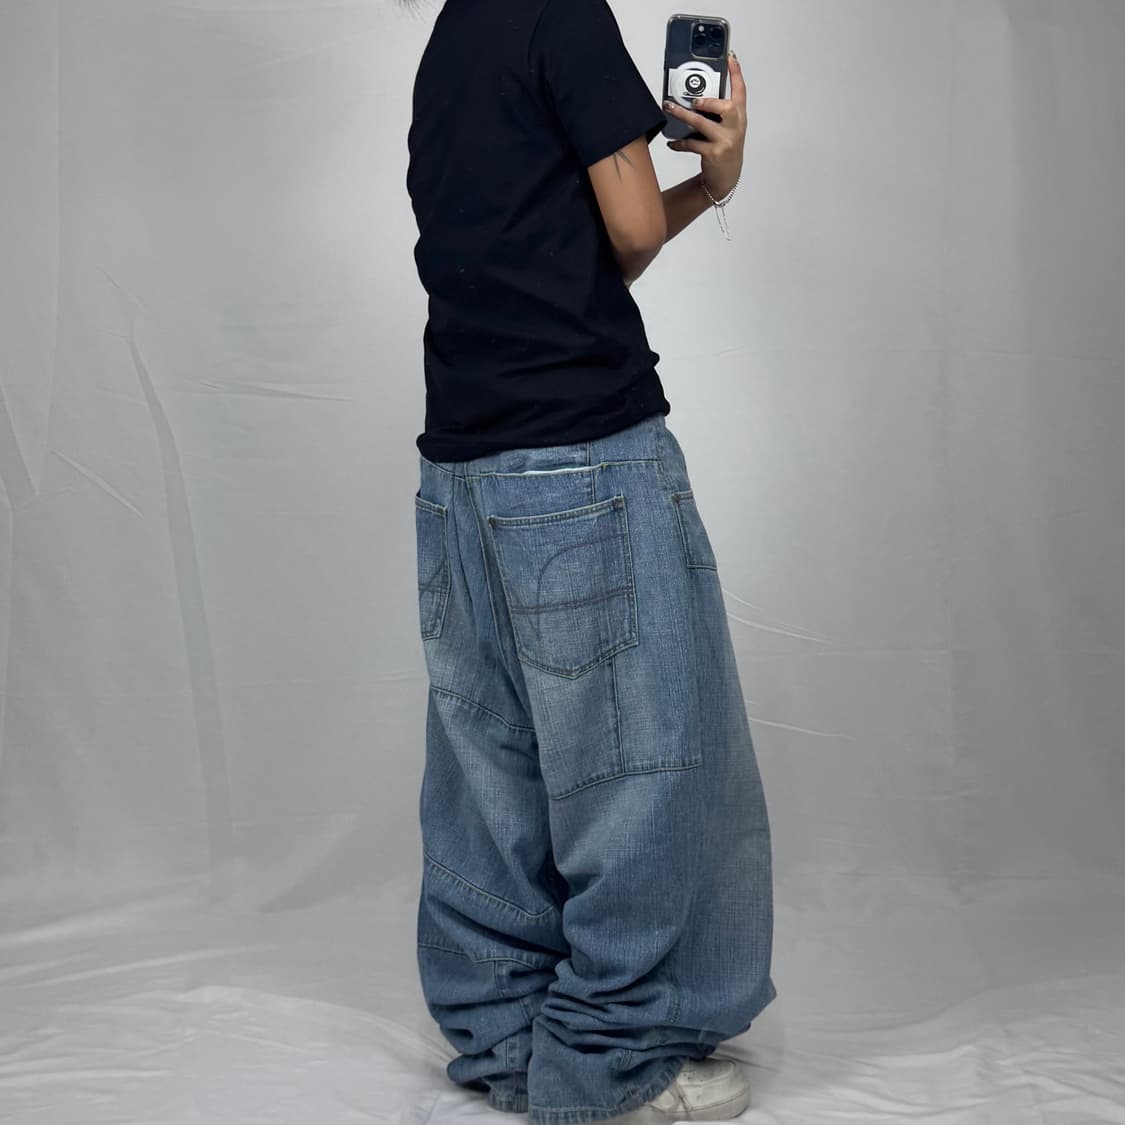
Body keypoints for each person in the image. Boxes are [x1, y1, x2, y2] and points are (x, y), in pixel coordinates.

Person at [404, 1, 776, 1122]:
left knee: (490, 782)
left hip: (459, 474)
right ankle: (614, 1065)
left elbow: (533, 258)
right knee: (643, 775)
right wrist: (716, 178)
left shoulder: (454, 34)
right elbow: (628, 232)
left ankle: (510, 1044)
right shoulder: (562, 13)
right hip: (582, 460)